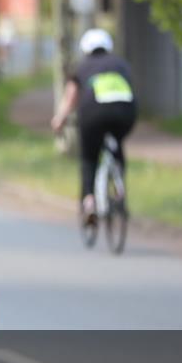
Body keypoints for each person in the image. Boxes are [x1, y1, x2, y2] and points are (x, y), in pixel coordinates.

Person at [51, 28, 137, 224]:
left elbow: (71, 96)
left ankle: (89, 202)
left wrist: (60, 119)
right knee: (117, 146)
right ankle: (119, 189)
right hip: (125, 113)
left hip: (93, 114)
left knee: (89, 158)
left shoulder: (83, 66)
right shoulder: (121, 64)